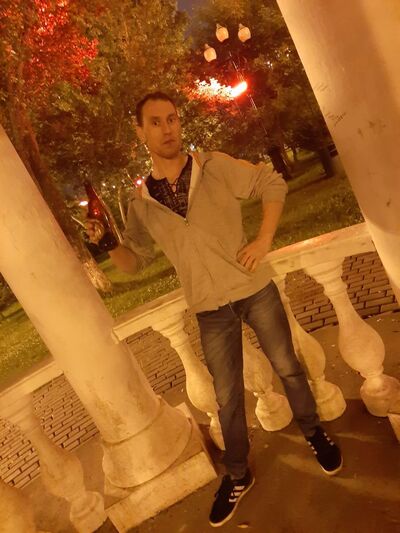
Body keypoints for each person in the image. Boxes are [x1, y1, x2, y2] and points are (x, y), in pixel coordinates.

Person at [86, 91, 343, 528]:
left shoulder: (214, 167)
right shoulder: (140, 202)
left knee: (288, 367)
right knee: (226, 397)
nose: (167, 128)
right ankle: (238, 475)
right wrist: (108, 243)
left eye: (172, 119)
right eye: (155, 122)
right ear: (140, 131)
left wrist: (263, 240)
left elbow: (271, 183)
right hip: (209, 307)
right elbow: (135, 262)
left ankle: (314, 432)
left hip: (253, 288)